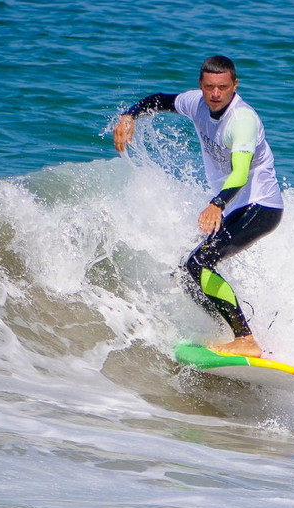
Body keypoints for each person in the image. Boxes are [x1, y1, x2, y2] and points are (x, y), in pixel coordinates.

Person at [113, 55, 283, 358]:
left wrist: (216, 204)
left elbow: (240, 173)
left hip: (261, 206)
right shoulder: (197, 103)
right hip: (236, 208)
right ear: (201, 86)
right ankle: (232, 333)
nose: (215, 94)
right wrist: (130, 115)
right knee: (187, 270)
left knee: (199, 263)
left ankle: (245, 338)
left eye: (222, 87)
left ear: (234, 85)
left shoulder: (242, 120)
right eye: (209, 87)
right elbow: (160, 100)